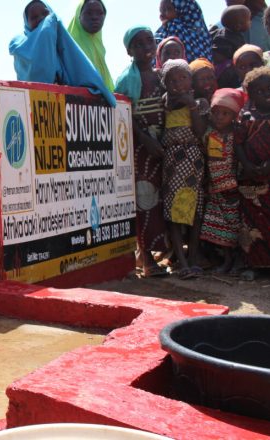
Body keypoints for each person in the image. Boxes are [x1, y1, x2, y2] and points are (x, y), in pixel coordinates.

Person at [115, 27, 168, 277]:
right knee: (145, 201)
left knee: (162, 202)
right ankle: (147, 260)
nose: (146, 46)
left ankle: (157, 255)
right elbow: (124, 115)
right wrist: (146, 140)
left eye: (150, 41)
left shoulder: (162, 76)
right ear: (129, 50)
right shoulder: (127, 79)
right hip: (141, 149)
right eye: (138, 44)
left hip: (164, 146)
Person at [9, 0, 116, 106]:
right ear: (26, 23)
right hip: (29, 106)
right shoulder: (19, 44)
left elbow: (81, 71)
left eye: (45, 14)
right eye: (34, 17)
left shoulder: (61, 48)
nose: (41, 19)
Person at [160, 59, 209, 279]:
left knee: (195, 209)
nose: (178, 83)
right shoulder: (166, 101)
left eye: (183, 77)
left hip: (193, 161)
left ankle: (193, 258)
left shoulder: (200, 103)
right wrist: (184, 102)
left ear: (191, 79)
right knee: (174, 212)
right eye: (172, 79)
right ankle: (181, 261)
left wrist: (192, 106)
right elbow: (169, 105)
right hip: (173, 162)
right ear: (166, 83)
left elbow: (199, 132)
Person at [200, 88, 247, 273]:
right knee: (220, 226)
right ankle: (226, 260)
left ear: (234, 116)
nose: (219, 117)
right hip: (214, 188)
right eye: (216, 112)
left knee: (234, 226)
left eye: (225, 113)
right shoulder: (209, 134)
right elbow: (206, 158)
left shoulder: (237, 135)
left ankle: (236, 262)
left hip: (233, 189)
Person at [236, 66, 270, 274]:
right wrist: (247, 165)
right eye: (260, 91)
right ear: (251, 94)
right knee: (252, 222)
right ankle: (255, 264)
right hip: (251, 179)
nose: (267, 93)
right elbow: (238, 143)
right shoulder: (246, 116)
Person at [66, 0, 114, 91]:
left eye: (100, 13)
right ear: (78, 16)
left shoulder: (100, 49)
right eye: (89, 13)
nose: (95, 17)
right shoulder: (68, 47)